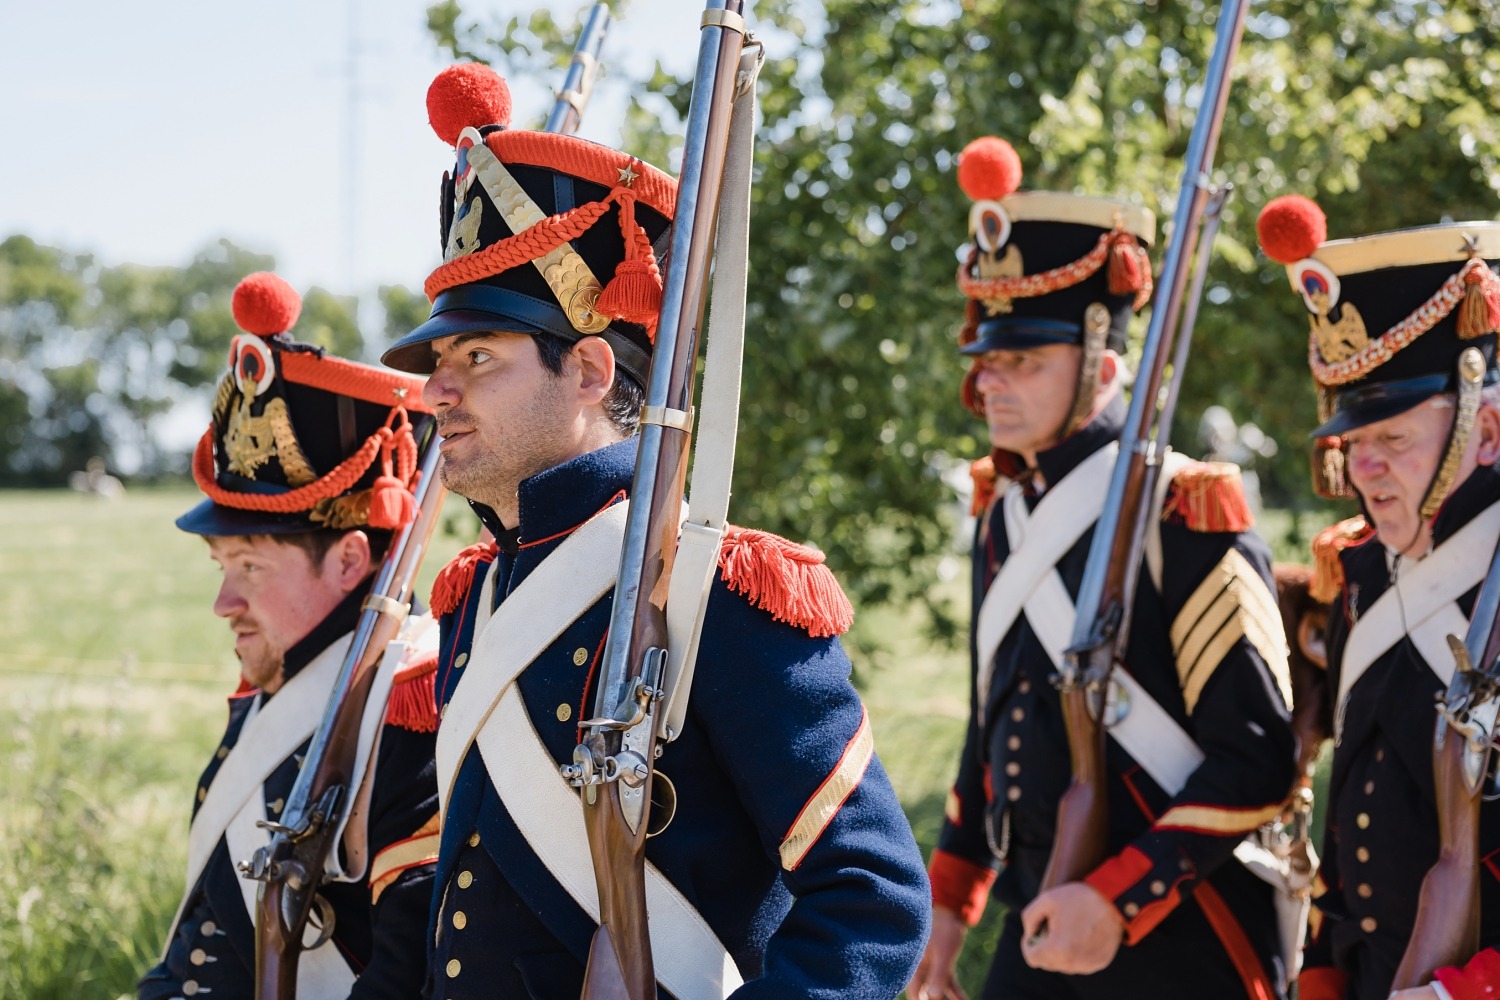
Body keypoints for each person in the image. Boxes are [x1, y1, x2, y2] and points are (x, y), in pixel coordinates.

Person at [376, 63, 930, 997]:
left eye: (478, 357)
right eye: (438, 360)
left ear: (589, 370)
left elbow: (872, 897)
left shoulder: (712, 583)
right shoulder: (481, 595)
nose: (435, 391)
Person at [908, 136, 1299, 1000]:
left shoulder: (1185, 513)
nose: (994, 385)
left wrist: (1121, 898)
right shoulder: (1001, 513)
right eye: (990, 362)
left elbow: (1259, 755)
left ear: (1104, 366)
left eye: (1026, 362)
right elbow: (990, 727)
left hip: (1186, 932)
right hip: (1042, 914)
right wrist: (948, 904)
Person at [139, 272, 441, 1000]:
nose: (223, 602)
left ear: (347, 559)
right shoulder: (270, 691)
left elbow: (405, 974)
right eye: (223, 564)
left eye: (249, 565)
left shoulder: (413, 709)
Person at [1257, 196, 1500, 1000]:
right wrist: (1324, 978)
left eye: (1393, 438)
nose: (1363, 471)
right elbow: (1347, 819)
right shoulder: (1362, 575)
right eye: (1353, 443)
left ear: (1488, 431)